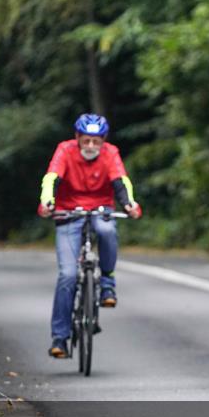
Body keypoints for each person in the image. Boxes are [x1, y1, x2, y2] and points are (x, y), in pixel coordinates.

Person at [38, 113, 142, 358]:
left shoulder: (110, 153)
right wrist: (47, 202)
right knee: (68, 276)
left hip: (100, 209)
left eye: (96, 141)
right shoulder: (64, 150)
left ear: (103, 141)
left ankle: (107, 282)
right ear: (77, 138)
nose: (91, 147)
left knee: (106, 230)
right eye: (86, 141)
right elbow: (51, 178)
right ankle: (60, 338)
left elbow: (120, 181)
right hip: (68, 212)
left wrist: (129, 204)